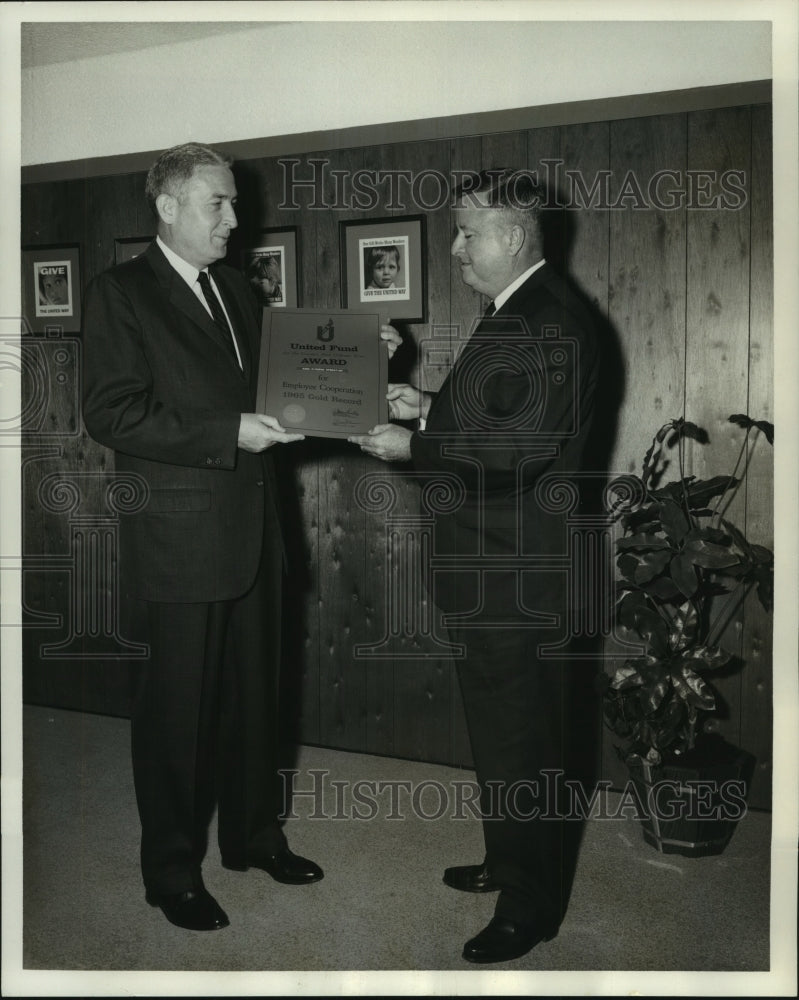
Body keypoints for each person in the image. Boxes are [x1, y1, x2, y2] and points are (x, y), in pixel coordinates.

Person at [350, 169, 599, 964]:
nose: (454, 247)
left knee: (524, 739)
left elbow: (519, 449)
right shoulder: (513, 313)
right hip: (492, 568)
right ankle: (507, 858)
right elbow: (488, 421)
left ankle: (531, 908)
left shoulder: (547, 320)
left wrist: (415, 447)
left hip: (517, 577)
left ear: (513, 237)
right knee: (501, 730)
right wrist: (418, 405)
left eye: (466, 232)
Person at [82, 142, 324, 932]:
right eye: (217, 203)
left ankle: (253, 839)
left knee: (257, 703)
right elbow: (111, 410)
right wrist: (227, 431)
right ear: (168, 206)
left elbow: (278, 398)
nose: (233, 217)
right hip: (180, 544)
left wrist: (359, 365)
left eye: (232, 203)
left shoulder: (237, 291)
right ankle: (172, 871)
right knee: (177, 717)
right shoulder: (123, 293)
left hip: (256, 535)